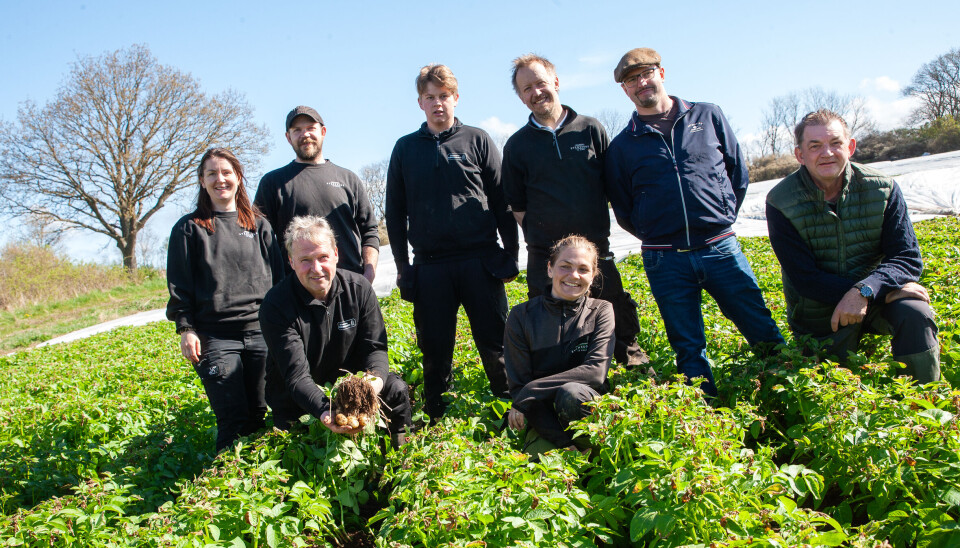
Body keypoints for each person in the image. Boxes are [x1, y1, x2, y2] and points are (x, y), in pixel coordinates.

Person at [604, 47, 784, 397]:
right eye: (631, 80)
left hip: (720, 248)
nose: (641, 83)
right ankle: (710, 416)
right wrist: (656, 232)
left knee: (760, 326)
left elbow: (737, 173)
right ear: (624, 90)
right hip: (665, 258)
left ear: (662, 73)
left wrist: (718, 215)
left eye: (646, 73)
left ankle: (785, 392)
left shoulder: (707, 115)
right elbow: (623, 207)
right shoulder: (622, 146)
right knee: (687, 345)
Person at [385, 64, 519, 421]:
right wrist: (404, 269)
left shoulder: (477, 139)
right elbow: (394, 215)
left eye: (444, 96)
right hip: (430, 266)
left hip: (480, 260)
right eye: (430, 97)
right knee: (435, 351)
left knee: (496, 346)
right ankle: (437, 420)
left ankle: (513, 411)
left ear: (455, 98)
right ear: (420, 103)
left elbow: (502, 201)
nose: (438, 103)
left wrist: (511, 254)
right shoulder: (405, 149)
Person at [766, 109, 940, 383]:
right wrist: (876, 294)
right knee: (833, 389)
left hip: (874, 294)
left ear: (851, 146)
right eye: (815, 146)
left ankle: (923, 400)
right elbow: (804, 279)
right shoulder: (781, 201)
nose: (827, 153)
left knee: (915, 312)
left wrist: (866, 291)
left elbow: (907, 258)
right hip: (820, 312)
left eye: (835, 143)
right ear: (800, 155)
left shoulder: (882, 188)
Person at [501, 53, 646, 368]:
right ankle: (564, 383)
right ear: (521, 97)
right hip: (545, 257)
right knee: (549, 328)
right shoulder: (516, 146)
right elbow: (518, 208)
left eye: (540, 83)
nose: (536, 92)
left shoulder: (590, 129)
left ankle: (631, 370)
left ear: (555, 81)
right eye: (526, 89)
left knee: (615, 314)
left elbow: (612, 188)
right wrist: (546, 239)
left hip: (596, 250)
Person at [166, 148, 285, 452]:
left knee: (258, 414)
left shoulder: (260, 226)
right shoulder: (189, 229)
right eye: (212, 174)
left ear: (239, 177)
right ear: (202, 181)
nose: (220, 179)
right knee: (232, 418)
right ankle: (225, 486)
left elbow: (280, 281)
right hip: (215, 337)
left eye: (226, 172)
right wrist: (186, 329)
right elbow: (180, 286)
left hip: (261, 334)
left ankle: (256, 486)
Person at [259, 215, 412, 445]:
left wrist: (371, 388)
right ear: (291, 262)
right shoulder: (276, 306)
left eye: (323, 257)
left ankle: (398, 458)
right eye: (305, 260)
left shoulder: (359, 289)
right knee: (296, 449)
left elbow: (376, 349)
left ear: (336, 255)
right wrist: (326, 410)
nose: (316, 268)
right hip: (298, 399)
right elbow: (297, 377)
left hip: (348, 386)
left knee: (396, 389)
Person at [504, 235, 613, 457]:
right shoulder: (521, 316)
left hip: (586, 411)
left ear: (593, 276)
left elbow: (595, 373)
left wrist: (531, 390)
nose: (574, 275)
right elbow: (519, 386)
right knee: (540, 477)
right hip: (542, 419)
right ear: (550, 268)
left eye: (583, 269)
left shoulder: (601, 310)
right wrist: (563, 443)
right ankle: (575, 452)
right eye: (565, 266)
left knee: (570, 392)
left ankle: (594, 450)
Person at [255, 106, 379, 282]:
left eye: (310, 128)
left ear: (323, 132)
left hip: (349, 288)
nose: (305, 134)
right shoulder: (272, 183)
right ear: (288, 137)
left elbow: (370, 232)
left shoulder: (349, 179)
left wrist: (368, 274)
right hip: (295, 293)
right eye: (297, 130)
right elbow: (260, 240)